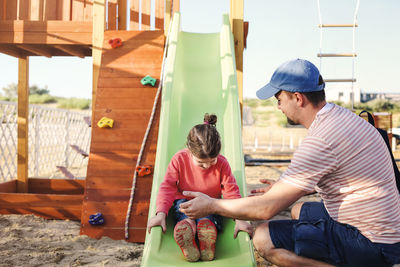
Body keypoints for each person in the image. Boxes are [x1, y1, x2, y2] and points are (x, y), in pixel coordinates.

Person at [179, 59, 400, 267]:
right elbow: (343, 172)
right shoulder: (342, 117)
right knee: (297, 210)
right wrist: (286, 188)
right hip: (388, 228)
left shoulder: (321, 139)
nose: (278, 106)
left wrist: (212, 205)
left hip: (373, 242)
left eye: (279, 99)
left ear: (298, 98)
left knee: (263, 238)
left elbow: (266, 209)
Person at [146, 113, 253, 262]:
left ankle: (206, 239)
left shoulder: (222, 163)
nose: (208, 166)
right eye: (201, 163)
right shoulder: (179, 159)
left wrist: (240, 219)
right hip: (185, 202)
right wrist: (160, 214)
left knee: (209, 217)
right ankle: (188, 229)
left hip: (210, 203)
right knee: (184, 213)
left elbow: (231, 191)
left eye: (212, 161)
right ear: (189, 150)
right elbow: (167, 187)